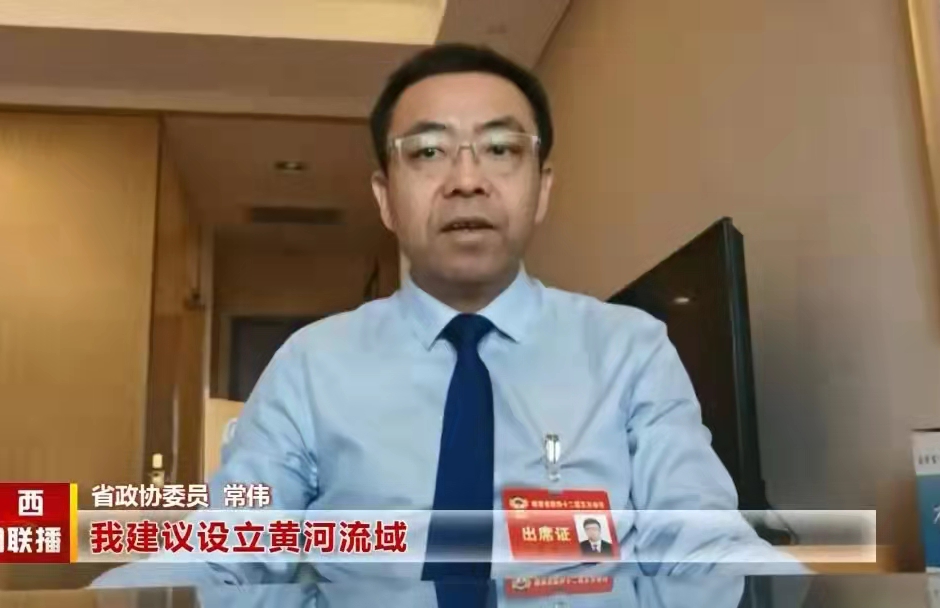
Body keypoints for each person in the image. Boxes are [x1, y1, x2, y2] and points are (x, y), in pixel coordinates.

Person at [95, 43, 788, 588]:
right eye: (428, 152)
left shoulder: (630, 350)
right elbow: (228, 549)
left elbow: (702, 548)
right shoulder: (311, 365)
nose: (466, 180)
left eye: (500, 149)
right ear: (385, 197)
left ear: (542, 188)